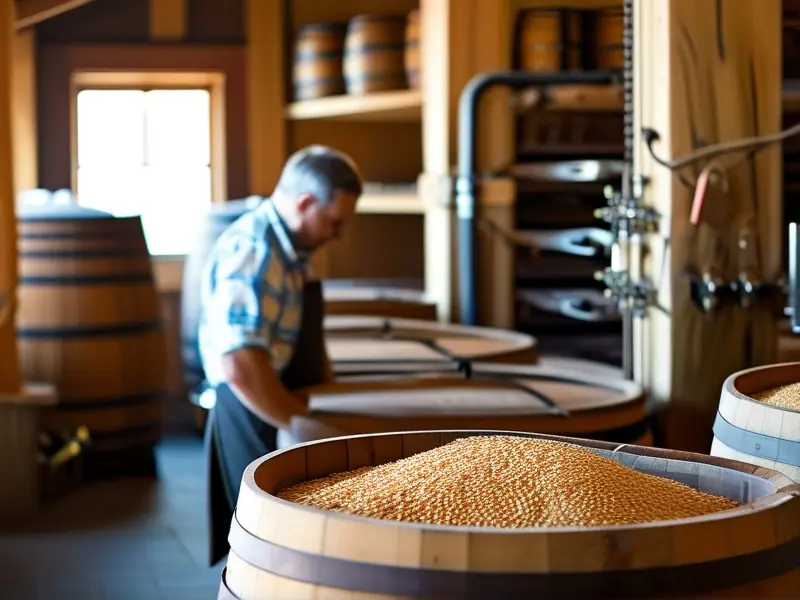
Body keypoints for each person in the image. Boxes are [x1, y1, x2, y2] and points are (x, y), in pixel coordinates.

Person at [198, 145, 363, 566]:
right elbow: (238, 363)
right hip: (250, 405)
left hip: (274, 391)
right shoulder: (254, 252)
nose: (337, 234)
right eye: (333, 222)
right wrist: (294, 421)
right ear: (305, 203)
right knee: (262, 543)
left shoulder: (294, 248)